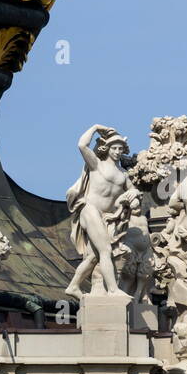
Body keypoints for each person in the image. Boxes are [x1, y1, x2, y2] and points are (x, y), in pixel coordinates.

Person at [65, 124, 131, 299]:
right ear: (107, 148)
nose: (117, 151)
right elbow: (81, 145)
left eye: (120, 148)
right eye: (114, 148)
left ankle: (73, 287)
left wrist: (131, 198)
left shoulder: (124, 175)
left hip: (107, 219)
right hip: (90, 210)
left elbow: (134, 195)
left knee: (93, 257)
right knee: (105, 250)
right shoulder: (96, 164)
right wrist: (95, 127)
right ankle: (113, 290)